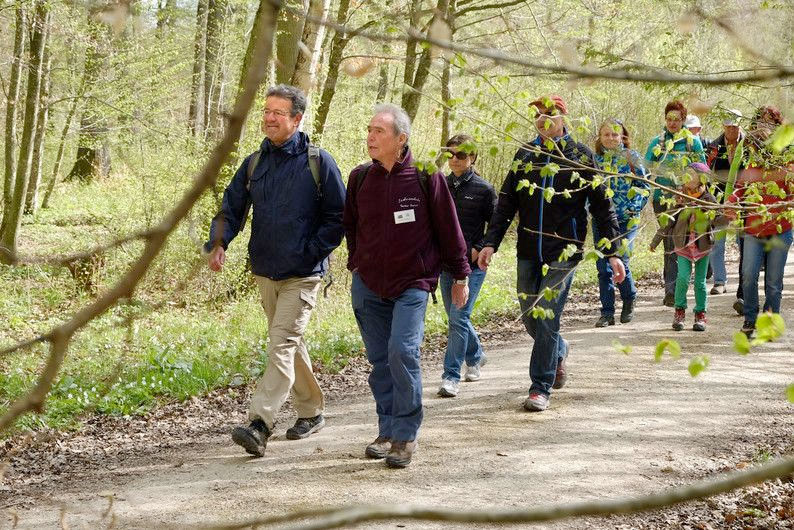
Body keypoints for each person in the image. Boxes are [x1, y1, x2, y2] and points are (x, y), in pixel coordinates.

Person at [204, 84, 346, 457]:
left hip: (303, 273)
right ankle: (312, 411)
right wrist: (218, 242)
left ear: (297, 119)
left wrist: (310, 252)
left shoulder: (319, 162)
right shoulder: (254, 163)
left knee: (280, 345)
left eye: (277, 113)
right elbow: (230, 208)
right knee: (289, 343)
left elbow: (338, 217)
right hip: (266, 270)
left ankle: (259, 423)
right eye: (266, 111)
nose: (268, 118)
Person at [477, 95, 625, 413]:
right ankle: (558, 347)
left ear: (563, 118)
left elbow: (603, 207)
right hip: (529, 247)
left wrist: (613, 253)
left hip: (567, 248)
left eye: (550, 114)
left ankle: (540, 387)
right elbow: (506, 203)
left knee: (546, 314)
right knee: (531, 318)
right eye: (539, 115)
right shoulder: (525, 154)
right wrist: (490, 242)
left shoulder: (580, 156)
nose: (543, 119)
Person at [343, 104, 470, 468]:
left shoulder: (426, 176)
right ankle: (387, 429)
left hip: (413, 283)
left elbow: (449, 229)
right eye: (369, 129)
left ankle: (406, 434)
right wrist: (357, 263)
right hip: (368, 284)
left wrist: (460, 275)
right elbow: (350, 225)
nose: (370, 136)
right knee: (381, 360)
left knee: (402, 352)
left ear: (401, 139)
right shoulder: (360, 178)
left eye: (379, 131)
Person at [436, 134, 497, 398]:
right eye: (450, 154)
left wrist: (480, 247)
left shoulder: (484, 189)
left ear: (472, 157)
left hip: (473, 264)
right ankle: (476, 355)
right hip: (446, 263)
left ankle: (451, 376)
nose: (455, 160)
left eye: (461, 155)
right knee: (455, 318)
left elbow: (496, 226)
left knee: (458, 318)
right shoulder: (439, 185)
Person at [727, 105, 792, 337]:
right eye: (761, 122)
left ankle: (770, 318)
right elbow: (740, 189)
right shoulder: (752, 159)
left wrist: (784, 204)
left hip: (780, 228)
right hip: (753, 228)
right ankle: (750, 319)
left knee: (774, 281)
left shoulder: (787, 159)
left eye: (770, 122)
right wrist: (731, 203)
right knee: (749, 275)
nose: (765, 127)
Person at [650, 163, 726, 332]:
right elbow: (667, 221)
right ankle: (679, 311)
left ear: (702, 179)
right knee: (683, 278)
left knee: (700, 282)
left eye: (692, 175)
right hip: (683, 245)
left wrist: (728, 214)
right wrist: (656, 241)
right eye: (686, 174)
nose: (687, 178)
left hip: (702, 246)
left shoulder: (708, 199)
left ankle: (700, 314)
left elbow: (719, 220)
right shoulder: (679, 197)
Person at [645, 100, 707, 307]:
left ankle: (684, 283)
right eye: (669, 119)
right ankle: (671, 290)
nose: (672, 123)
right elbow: (646, 169)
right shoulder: (657, 142)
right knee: (669, 242)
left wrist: (691, 191)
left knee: (680, 241)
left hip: (687, 200)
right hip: (662, 200)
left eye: (677, 119)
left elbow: (703, 171)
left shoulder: (692, 143)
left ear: (683, 120)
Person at [591, 119, 651, 327]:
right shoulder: (594, 160)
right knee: (603, 265)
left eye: (615, 134)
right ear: (600, 137)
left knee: (621, 260)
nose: (610, 138)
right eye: (606, 134)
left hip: (626, 218)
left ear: (623, 136)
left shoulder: (632, 158)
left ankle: (629, 297)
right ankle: (607, 312)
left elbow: (644, 187)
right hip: (601, 219)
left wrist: (633, 206)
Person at [706, 109, 745, 296]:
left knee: (743, 243)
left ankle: (744, 283)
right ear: (723, 126)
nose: (731, 129)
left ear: (740, 126)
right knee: (717, 242)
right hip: (720, 201)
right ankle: (720, 281)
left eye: (735, 126)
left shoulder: (749, 145)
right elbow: (705, 172)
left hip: (745, 201)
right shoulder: (714, 147)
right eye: (728, 126)